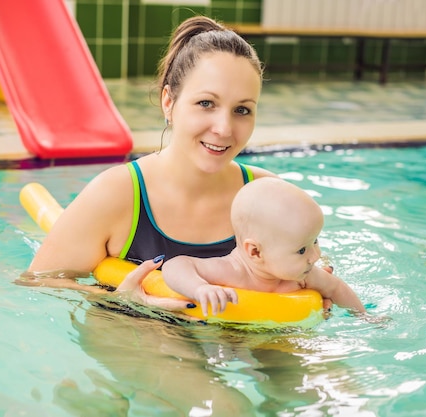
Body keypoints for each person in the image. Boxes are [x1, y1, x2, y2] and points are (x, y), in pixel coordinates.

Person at [23, 15, 285, 305]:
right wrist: (125, 301)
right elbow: (36, 282)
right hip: (135, 337)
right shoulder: (117, 194)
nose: (223, 128)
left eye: (242, 110)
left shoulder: (269, 198)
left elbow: (311, 276)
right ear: (168, 103)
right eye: (206, 104)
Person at [162, 177, 366, 318]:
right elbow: (176, 265)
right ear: (255, 252)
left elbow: (336, 287)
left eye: (315, 241)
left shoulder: (304, 275)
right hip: (231, 337)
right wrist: (200, 288)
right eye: (302, 250)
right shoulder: (231, 271)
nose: (315, 257)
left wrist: (364, 317)